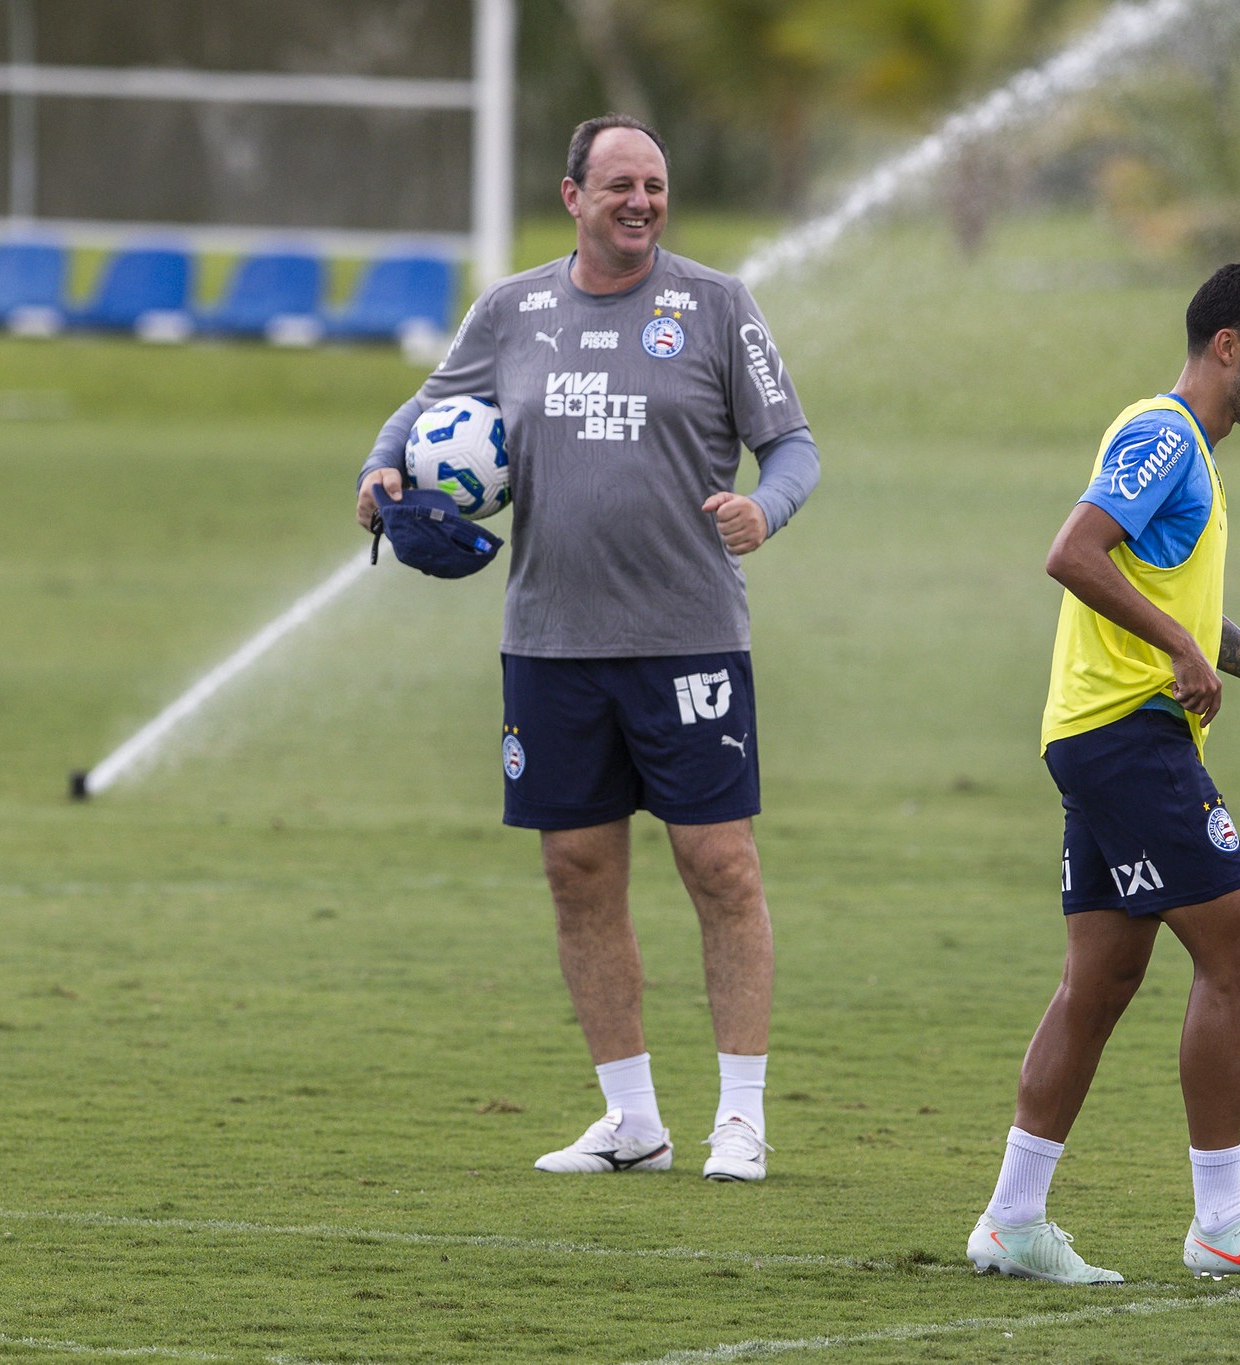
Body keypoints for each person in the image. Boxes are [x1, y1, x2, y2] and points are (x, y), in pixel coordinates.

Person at [355, 114, 818, 1183]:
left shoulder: (715, 305)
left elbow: (791, 444)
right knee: (576, 871)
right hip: (550, 643)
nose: (641, 202)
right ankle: (631, 1120)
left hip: (687, 637)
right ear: (572, 197)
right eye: (618, 185)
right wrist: (381, 471)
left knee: (720, 866)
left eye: (653, 184)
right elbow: (427, 410)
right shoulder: (512, 311)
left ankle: (739, 1118)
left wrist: (768, 508)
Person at [967, 263, 1240, 1283]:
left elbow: (1174, 602)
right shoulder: (1163, 435)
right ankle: (1221, 1220)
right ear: (1228, 344)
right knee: (1238, 954)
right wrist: (1173, 650)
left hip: (1101, 734)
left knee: (1102, 978)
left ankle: (1012, 1219)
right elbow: (1072, 552)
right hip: (1125, 736)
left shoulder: (1190, 459)